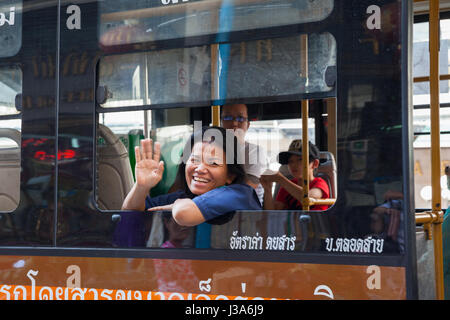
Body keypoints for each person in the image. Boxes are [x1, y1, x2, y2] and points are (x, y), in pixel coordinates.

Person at [121, 126, 262, 226]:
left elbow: (183, 212)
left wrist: (176, 206)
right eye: (194, 160)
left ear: (230, 175)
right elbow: (128, 216)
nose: (200, 168)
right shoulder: (182, 197)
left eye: (212, 163)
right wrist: (141, 186)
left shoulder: (241, 194)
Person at [220, 103, 270, 204]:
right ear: (220, 122)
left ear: (248, 125)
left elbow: (246, 189)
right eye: (228, 117)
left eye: (240, 118)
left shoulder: (255, 151)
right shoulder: (211, 149)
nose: (234, 123)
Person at [260, 139, 330, 211]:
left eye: (300, 160)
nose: (293, 165)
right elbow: (274, 213)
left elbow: (308, 198)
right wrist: (267, 188)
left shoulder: (320, 183)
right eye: (290, 161)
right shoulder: (286, 187)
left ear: (315, 164)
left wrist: (280, 179)